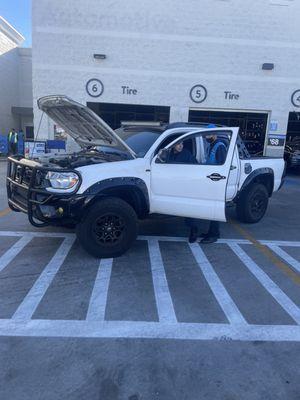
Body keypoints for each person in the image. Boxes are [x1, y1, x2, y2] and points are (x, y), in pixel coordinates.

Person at [188, 134, 228, 244]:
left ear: (214, 135)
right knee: (211, 208)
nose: (206, 137)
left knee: (214, 208)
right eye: (205, 135)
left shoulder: (220, 146)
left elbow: (222, 165)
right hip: (210, 180)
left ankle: (214, 235)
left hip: (216, 180)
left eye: (208, 135)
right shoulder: (211, 146)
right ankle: (211, 232)